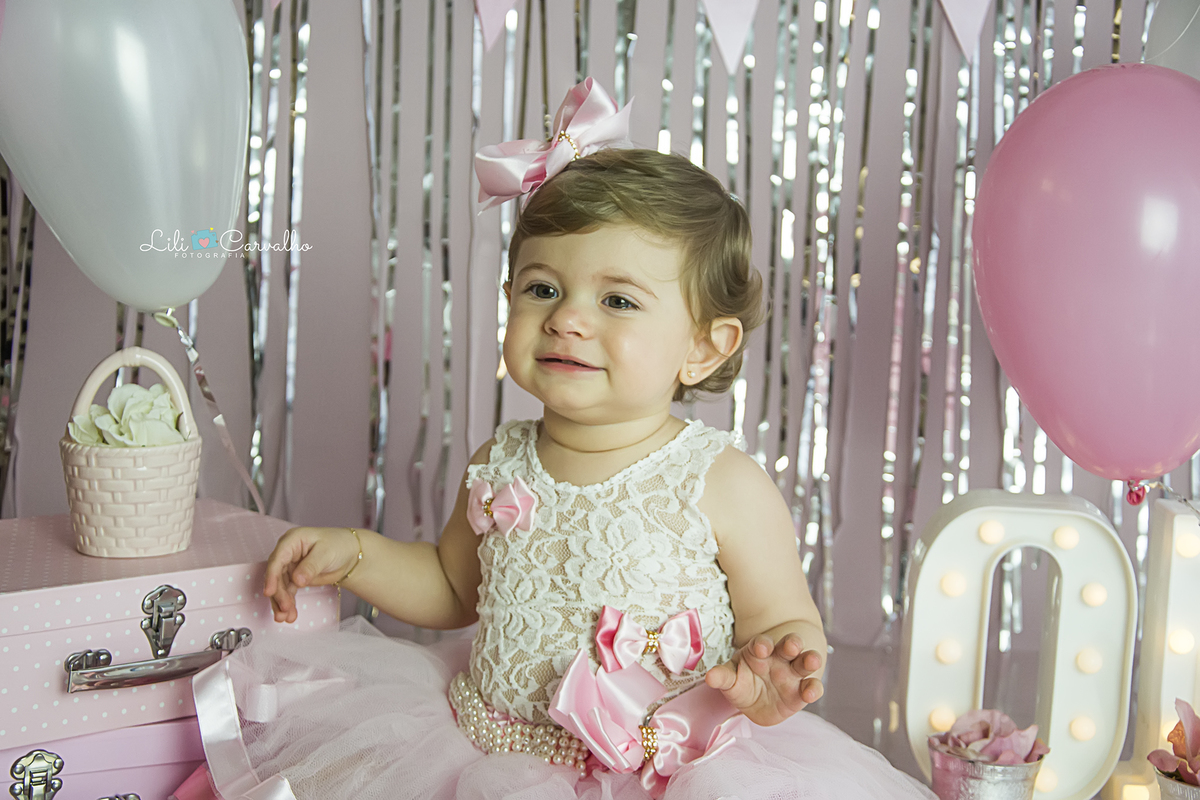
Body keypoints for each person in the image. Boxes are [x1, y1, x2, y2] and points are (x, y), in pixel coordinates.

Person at [201, 80, 935, 800]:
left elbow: (781, 618)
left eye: (617, 300)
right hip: (489, 754)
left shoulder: (721, 481)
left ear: (704, 348)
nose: (567, 318)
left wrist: (778, 666)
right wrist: (357, 556)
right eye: (542, 288)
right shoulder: (501, 461)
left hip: (667, 770)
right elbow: (457, 588)